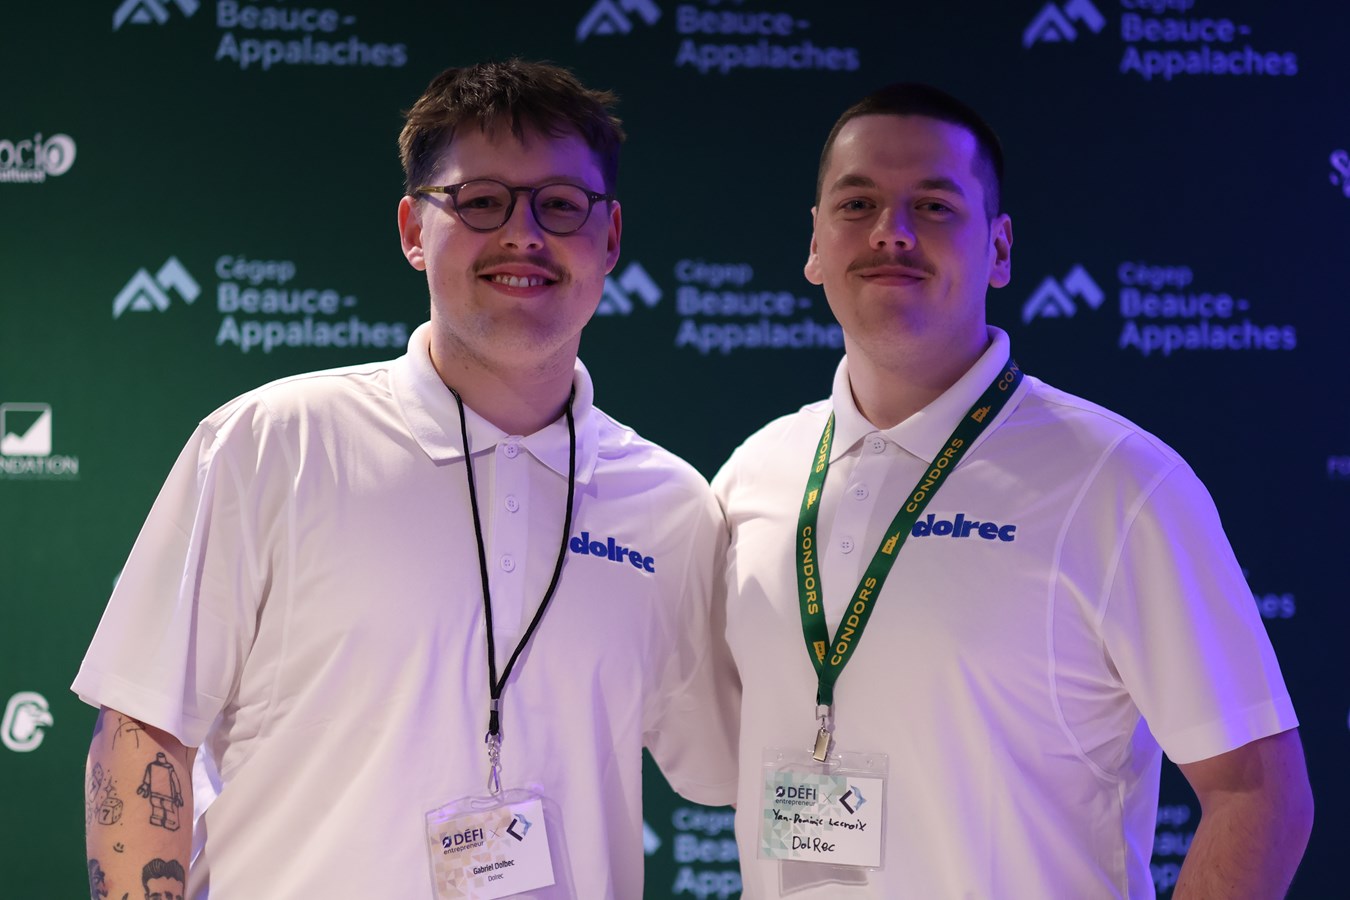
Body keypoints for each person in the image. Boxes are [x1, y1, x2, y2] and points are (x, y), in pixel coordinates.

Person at [75, 59, 736, 899]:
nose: (524, 234)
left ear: (609, 239)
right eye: (481, 201)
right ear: (413, 229)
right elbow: (143, 732)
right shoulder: (274, 443)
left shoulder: (671, 506)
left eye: (561, 204)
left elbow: (725, 761)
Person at [713, 83, 1313, 898]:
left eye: (933, 206)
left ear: (999, 250)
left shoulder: (1119, 483)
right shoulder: (753, 475)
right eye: (858, 205)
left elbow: (1260, 796)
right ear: (815, 244)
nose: (891, 231)